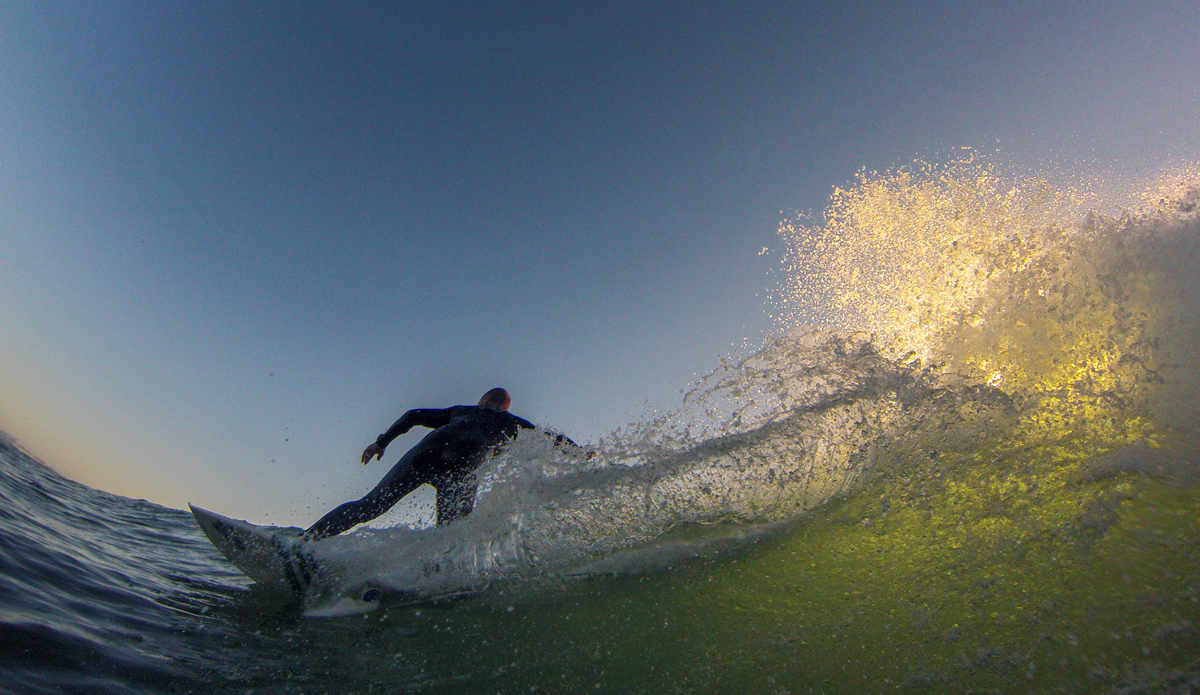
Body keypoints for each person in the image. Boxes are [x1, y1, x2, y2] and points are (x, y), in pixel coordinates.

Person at [301, 388, 581, 540]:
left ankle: (304, 543)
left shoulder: (463, 410)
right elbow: (551, 437)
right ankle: (434, 581)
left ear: (484, 401)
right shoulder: (514, 424)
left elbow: (413, 415)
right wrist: (578, 453)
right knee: (449, 535)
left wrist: (381, 443)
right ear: (505, 407)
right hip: (463, 469)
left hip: (426, 454)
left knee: (370, 505)